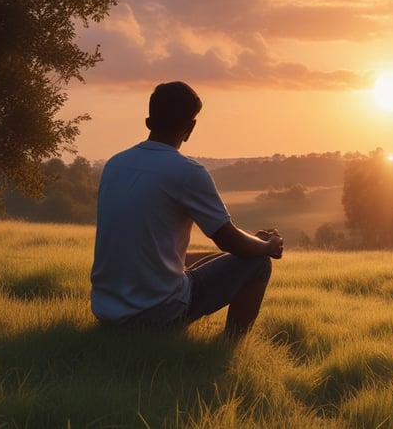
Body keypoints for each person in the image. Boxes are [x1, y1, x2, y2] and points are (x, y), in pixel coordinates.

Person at [90, 81, 283, 339]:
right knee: (258, 263)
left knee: (205, 258)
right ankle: (226, 351)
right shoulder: (187, 172)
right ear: (190, 128)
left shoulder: (115, 164)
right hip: (157, 313)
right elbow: (228, 240)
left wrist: (252, 241)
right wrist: (267, 246)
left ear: (148, 121)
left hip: (105, 310)